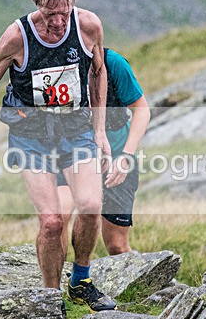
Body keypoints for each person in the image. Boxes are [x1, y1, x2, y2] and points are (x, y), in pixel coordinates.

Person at [0, 0, 116, 311]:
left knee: (92, 206)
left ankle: (80, 281)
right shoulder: (17, 37)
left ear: (73, 4)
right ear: (37, 4)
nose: (56, 22)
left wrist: (100, 130)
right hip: (31, 135)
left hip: (75, 129)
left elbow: (98, 71)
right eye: (49, 14)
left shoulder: (88, 27)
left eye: (63, 13)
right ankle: (51, 300)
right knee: (52, 221)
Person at [58, 47, 150, 256]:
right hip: (70, 153)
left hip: (117, 152)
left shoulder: (114, 63)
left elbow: (142, 110)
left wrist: (126, 157)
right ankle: (58, 284)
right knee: (57, 220)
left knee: (117, 246)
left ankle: (139, 280)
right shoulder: (55, 61)